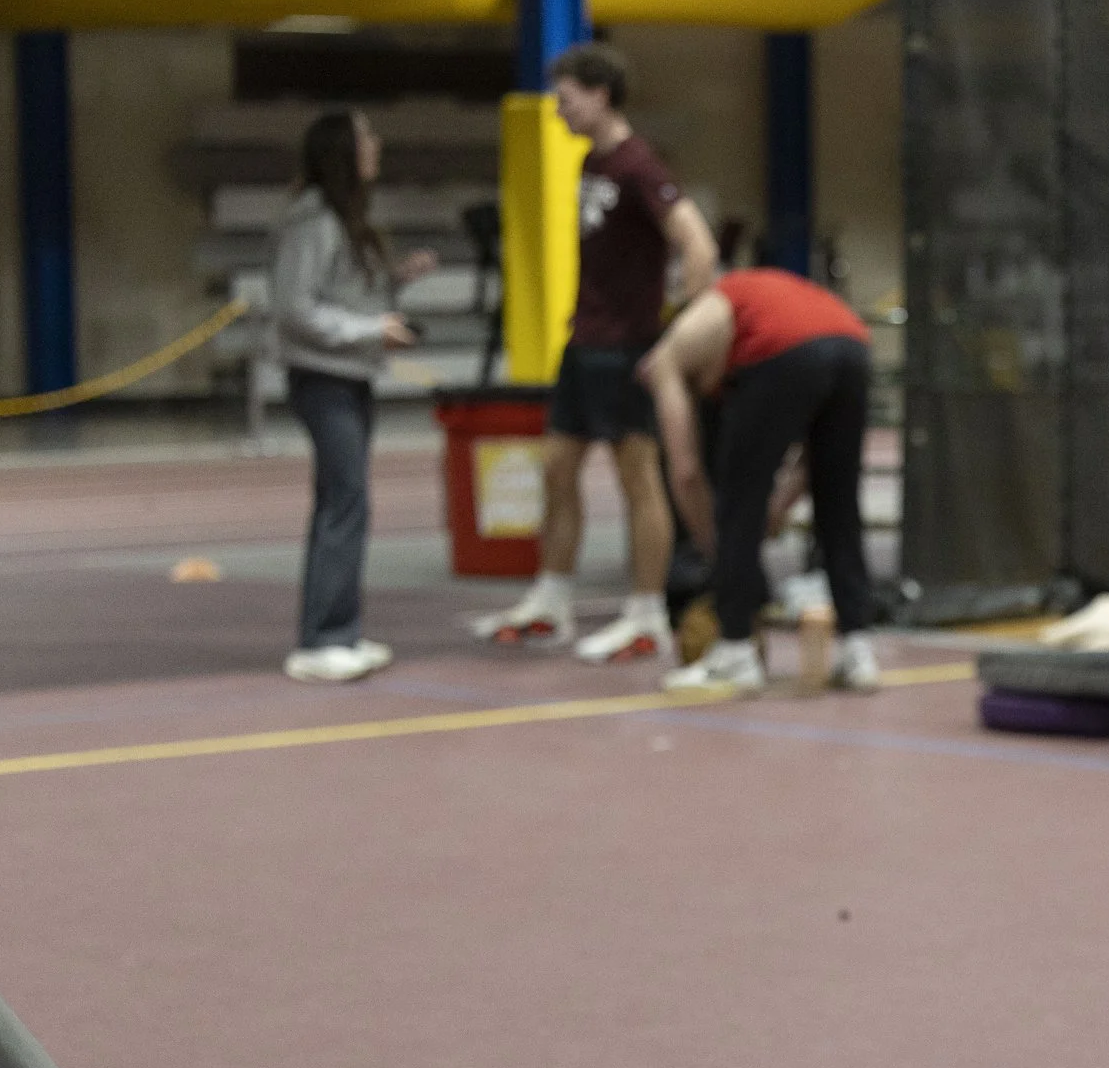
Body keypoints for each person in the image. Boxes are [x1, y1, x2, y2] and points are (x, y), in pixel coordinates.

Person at [475, 42, 719, 666]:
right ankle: (551, 600)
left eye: (565, 99)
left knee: (638, 477)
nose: (557, 110)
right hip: (583, 344)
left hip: (629, 347)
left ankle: (645, 615)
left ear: (600, 94)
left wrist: (685, 332)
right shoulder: (591, 162)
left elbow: (697, 243)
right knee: (557, 468)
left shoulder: (641, 167)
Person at [637, 266, 881, 693]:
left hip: (779, 350)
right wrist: (778, 507)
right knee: (839, 502)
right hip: (853, 345)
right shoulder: (746, 303)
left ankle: (734, 650)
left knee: (736, 500)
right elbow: (813, 467)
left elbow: (687, 473)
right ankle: (858, 651)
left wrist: (720, 550)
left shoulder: (664, 362)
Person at [271, 110, 435, 684]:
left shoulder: (345, 218)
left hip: (349, 376)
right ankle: (321, 639)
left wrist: (395, 282)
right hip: (323, 377)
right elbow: (296, 308)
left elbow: (339, 291)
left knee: (347, 501)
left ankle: (341, 628)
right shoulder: (311, 218)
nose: (377, 145)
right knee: (343, 501)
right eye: (368, 137)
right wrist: (371, 329)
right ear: (343, 150)